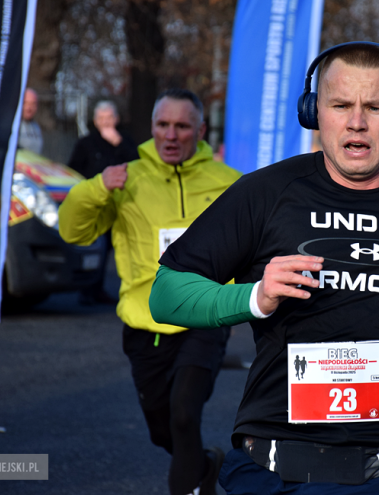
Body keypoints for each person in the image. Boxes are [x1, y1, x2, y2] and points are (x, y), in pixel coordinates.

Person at [149, 42, 379, 494]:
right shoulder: (266, 192)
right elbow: (166, 293)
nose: (357, 121)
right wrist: (255, 297)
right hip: (275, 458)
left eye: (375, 106)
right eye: (340, 105)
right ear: (314, 111)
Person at [58, 88, 242, 495]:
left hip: (205, 316)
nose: (171, 135)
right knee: (164, 432)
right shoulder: (125, 179)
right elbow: (72, 230)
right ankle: (207, 465)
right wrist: (96, 187)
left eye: (181, 126)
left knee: (183, 415)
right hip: (146, 323)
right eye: (163, 125)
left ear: (201, 130)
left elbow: (257, 242)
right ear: (152, 128)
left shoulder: (228, 182)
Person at [67, 100, 138, 305]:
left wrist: (118, 143)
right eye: (102, 118)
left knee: (117, 246)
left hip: (122, 203)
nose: (106, 122)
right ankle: (87, 290)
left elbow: (137, 164)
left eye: (109, 118)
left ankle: (111, 288)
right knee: (95, 246)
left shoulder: (125, 140)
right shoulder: (85, 143)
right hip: (96, 203)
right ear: (96, 121)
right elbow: (73, 170)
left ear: (116, 119)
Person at [18, 88, 43, 154]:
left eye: (33, 104)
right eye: (26, 103)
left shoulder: (36, 127)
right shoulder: (13, 126)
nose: (29, 108)